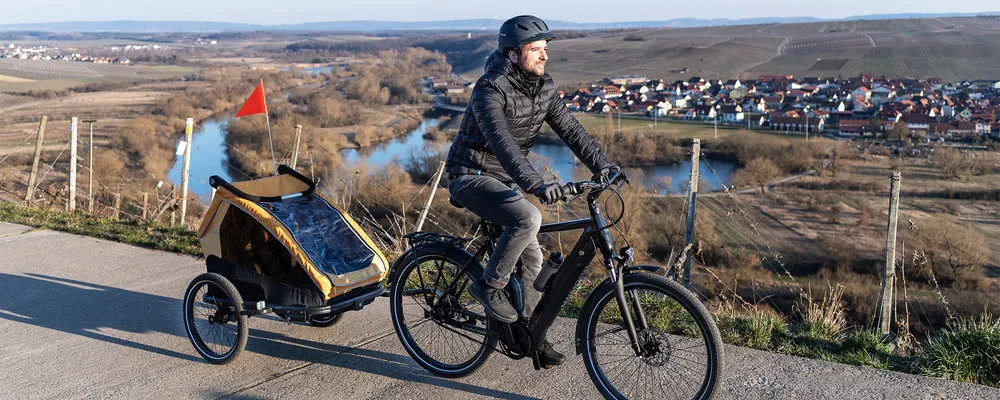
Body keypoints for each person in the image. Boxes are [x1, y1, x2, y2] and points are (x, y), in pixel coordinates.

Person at [444, 15, 618, 368]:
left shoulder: (543, 87)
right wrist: (536, 184)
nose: (544, 56)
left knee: (534, 259)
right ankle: (488, 286)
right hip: (470, 175)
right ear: (513, 54)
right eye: (536, 50)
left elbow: (571, 130)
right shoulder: (489, 90)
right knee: (529, 217)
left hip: (504, 181)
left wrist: (604, 166)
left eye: (545, 49)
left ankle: (526, 333)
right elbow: (503, 144)